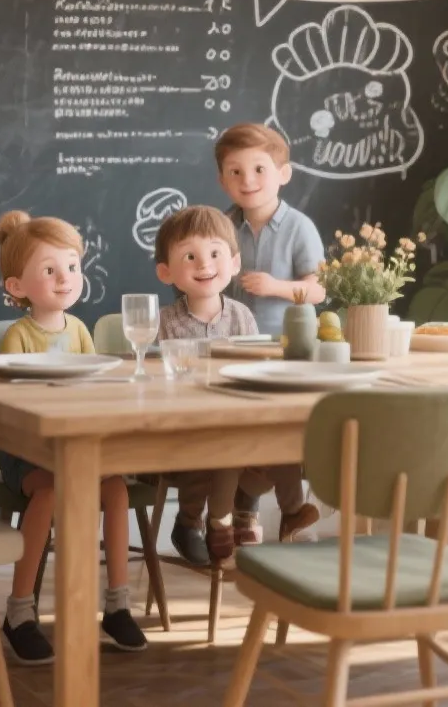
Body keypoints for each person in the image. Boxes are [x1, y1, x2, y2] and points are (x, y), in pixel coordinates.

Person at [0, 210, 148, 662]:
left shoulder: (79, 330)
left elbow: (94, 382)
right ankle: (19, 610)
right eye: (50, 270)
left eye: (73, 267)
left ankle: (117, 604)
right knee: (52, 494)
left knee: (115, 489)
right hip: (29, 455)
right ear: (17, 287)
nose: (65, 279)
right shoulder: (18, 335)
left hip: (78, 446)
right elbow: (10, 402)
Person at [154, 204, 319, 566]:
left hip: (238, 426)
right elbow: (156, 382)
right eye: (191, 256)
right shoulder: (164, 322)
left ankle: (289, 512)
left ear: (234, 262)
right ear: (166, 272)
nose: (204, 264)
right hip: (190, 433)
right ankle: (206, 522)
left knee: (282, 443)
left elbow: (256, 370)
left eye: (215, 253)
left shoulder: (242, 316)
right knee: (224, 449)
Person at [215, 123, 326, 547]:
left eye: (259, 169)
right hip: (229, 350)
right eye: (235, 172)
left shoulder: (299, 227)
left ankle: (268, 511)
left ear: (284, 173)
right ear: (222, 179)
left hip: (286, 351)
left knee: (279, 434)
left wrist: (275, 287)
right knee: (237, 433)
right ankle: (244, 511)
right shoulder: (222, 226)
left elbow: (318, 289)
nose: (248, 182)